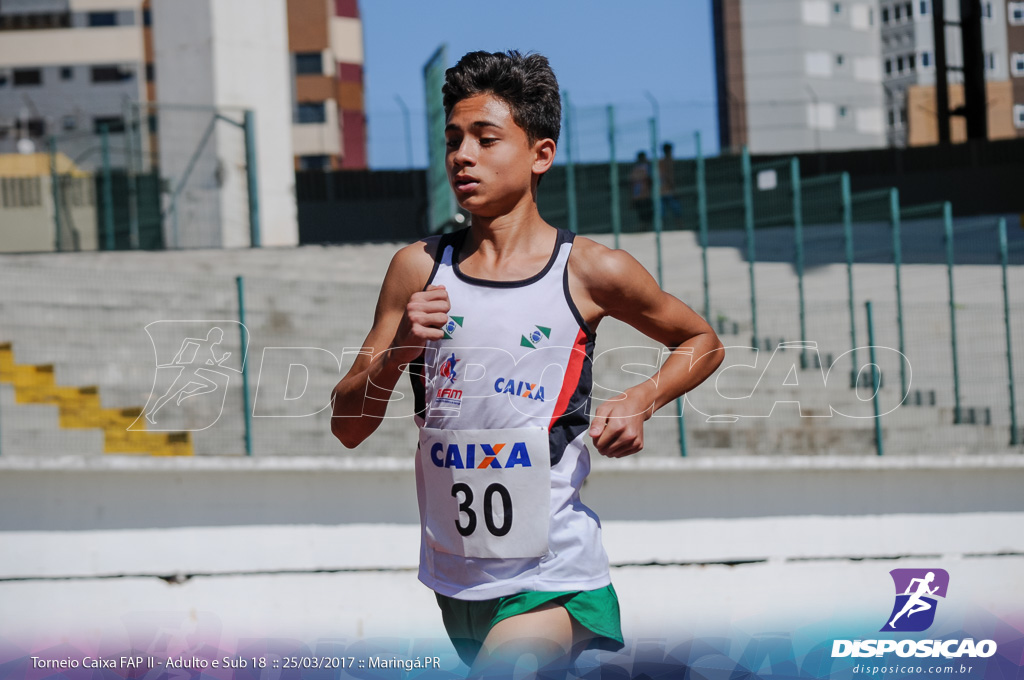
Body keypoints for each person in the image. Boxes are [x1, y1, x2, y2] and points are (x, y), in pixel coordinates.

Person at [330, 50, 724, 677]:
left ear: (541, 154)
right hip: (454, 575)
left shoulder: (591, 270)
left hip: (555, 573)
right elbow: (348, 424)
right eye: (454, 140)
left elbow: (703, 340)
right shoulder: (417, 270)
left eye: (487, 139)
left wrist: (642, 398)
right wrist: (399, 350)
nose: (463, 156)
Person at [659, 142, 683, 226]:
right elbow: (669, 176)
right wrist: (674, 189)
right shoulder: (668, 161)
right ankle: (680, 227)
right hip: (668, 190)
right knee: (676, 211)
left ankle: (661, 229)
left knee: (662, 213)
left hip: (660, 191)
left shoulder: (660, 162)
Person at [629, 151, 653, 225]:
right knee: (645, 215)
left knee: (643, 215)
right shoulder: (647, 168)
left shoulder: (635, 169)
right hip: (644, 196)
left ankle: (643, 228)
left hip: (639, 196)